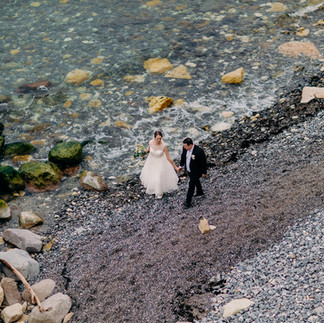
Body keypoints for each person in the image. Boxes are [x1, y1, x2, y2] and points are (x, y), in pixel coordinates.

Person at [140, 131, 180, 199]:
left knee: (158, 177)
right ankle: (153, 187)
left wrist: (176, 167)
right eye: (157, 138)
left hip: (161, 163)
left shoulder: (163, 146)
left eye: (160, 138)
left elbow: (168, 158)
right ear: (154, 138)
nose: (159, 140)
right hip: (151, 162)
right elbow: (149, 149)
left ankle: (159, 192)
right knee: (152, 176)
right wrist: (142, 154)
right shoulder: (150, 142)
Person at [179, 137, 207, 208]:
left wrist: (204, 172)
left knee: (191, 185)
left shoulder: (199, 151)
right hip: (189, 169)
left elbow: (203, 163)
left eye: (185, 146)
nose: (184, 147)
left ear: (190, 145)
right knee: (196, 181)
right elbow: (183, 157)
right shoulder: (185, 149)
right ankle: (200, 192)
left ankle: (188, 202)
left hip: (196, 171)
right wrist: (181, 166)